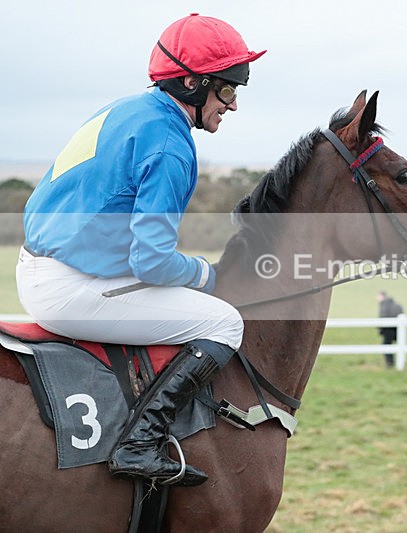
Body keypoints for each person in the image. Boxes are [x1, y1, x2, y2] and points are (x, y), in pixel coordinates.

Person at [16, 14, 265, 487]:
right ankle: (139, 444)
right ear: (192, 83)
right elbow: (150, 262)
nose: (232, 104)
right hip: (72, 288)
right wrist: (208, 275)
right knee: (225, 322)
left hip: (43, 265)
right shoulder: (170, 145)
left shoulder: (125, 110)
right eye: (227, 90)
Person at [377, 291, 404, 368]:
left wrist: (380, 329)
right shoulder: (397, 305)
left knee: (386, 345)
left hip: (388, 329)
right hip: (398, 329)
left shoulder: (384, 306)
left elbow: (382, 317)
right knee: (400, 345)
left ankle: (390, 363)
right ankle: (401, 362)